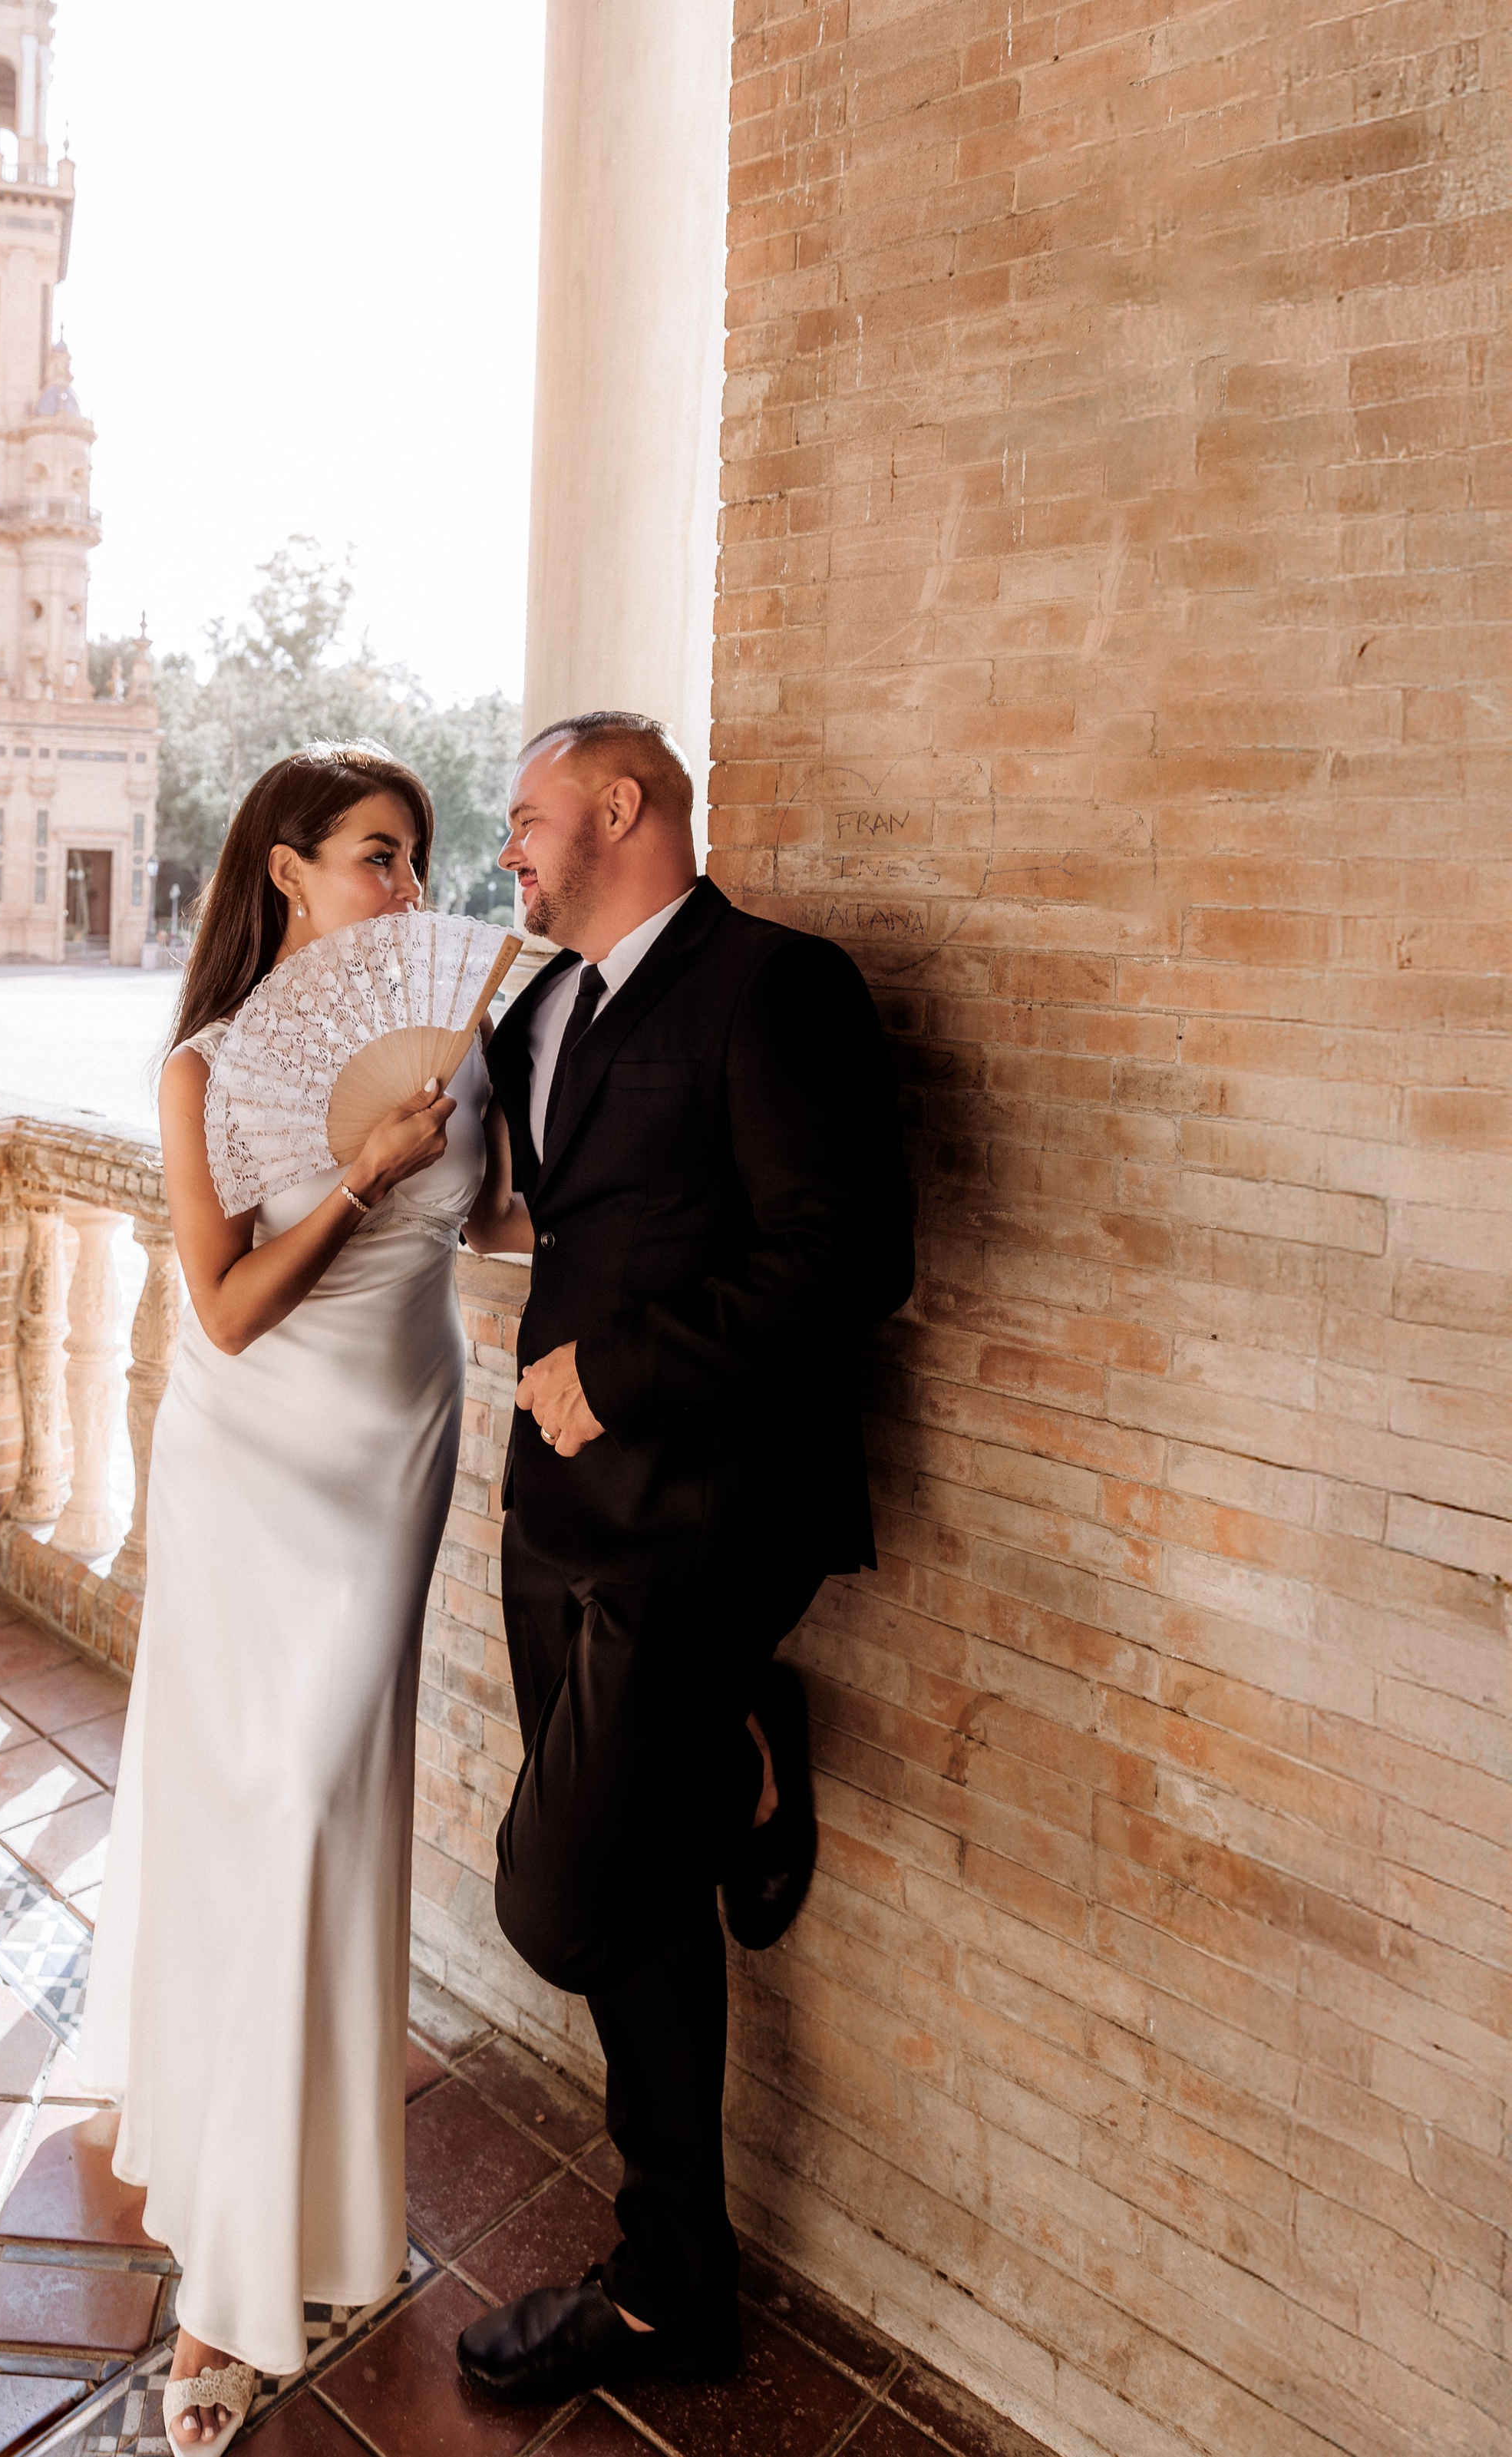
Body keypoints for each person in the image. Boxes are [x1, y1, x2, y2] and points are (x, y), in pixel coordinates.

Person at [456, 711, 914, 2403]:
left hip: (707, 1516)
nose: (507, 844)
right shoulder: (529, 1011)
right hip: (549, 1514)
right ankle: (670, 2289)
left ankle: (736, 1750)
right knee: (636, 1908)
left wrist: (630, 1369)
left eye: (527, 814)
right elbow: (527, 1205)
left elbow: (851, 1249)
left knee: (558, 1894)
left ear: (621, 806)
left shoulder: (772, 984)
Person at [77, 743, 526, 2450]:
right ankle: (227, 2291)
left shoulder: (456, 1035)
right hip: (247, 1453)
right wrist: (356, 1163)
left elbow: (490, 1219)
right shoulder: (206, 1068)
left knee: (323, 1799)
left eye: (415, 861)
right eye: (372, 858)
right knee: (243, 1798)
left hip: (388, 1450)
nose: (405, 892)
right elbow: (227, 1308)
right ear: (283, 868)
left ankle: (294, 2196)